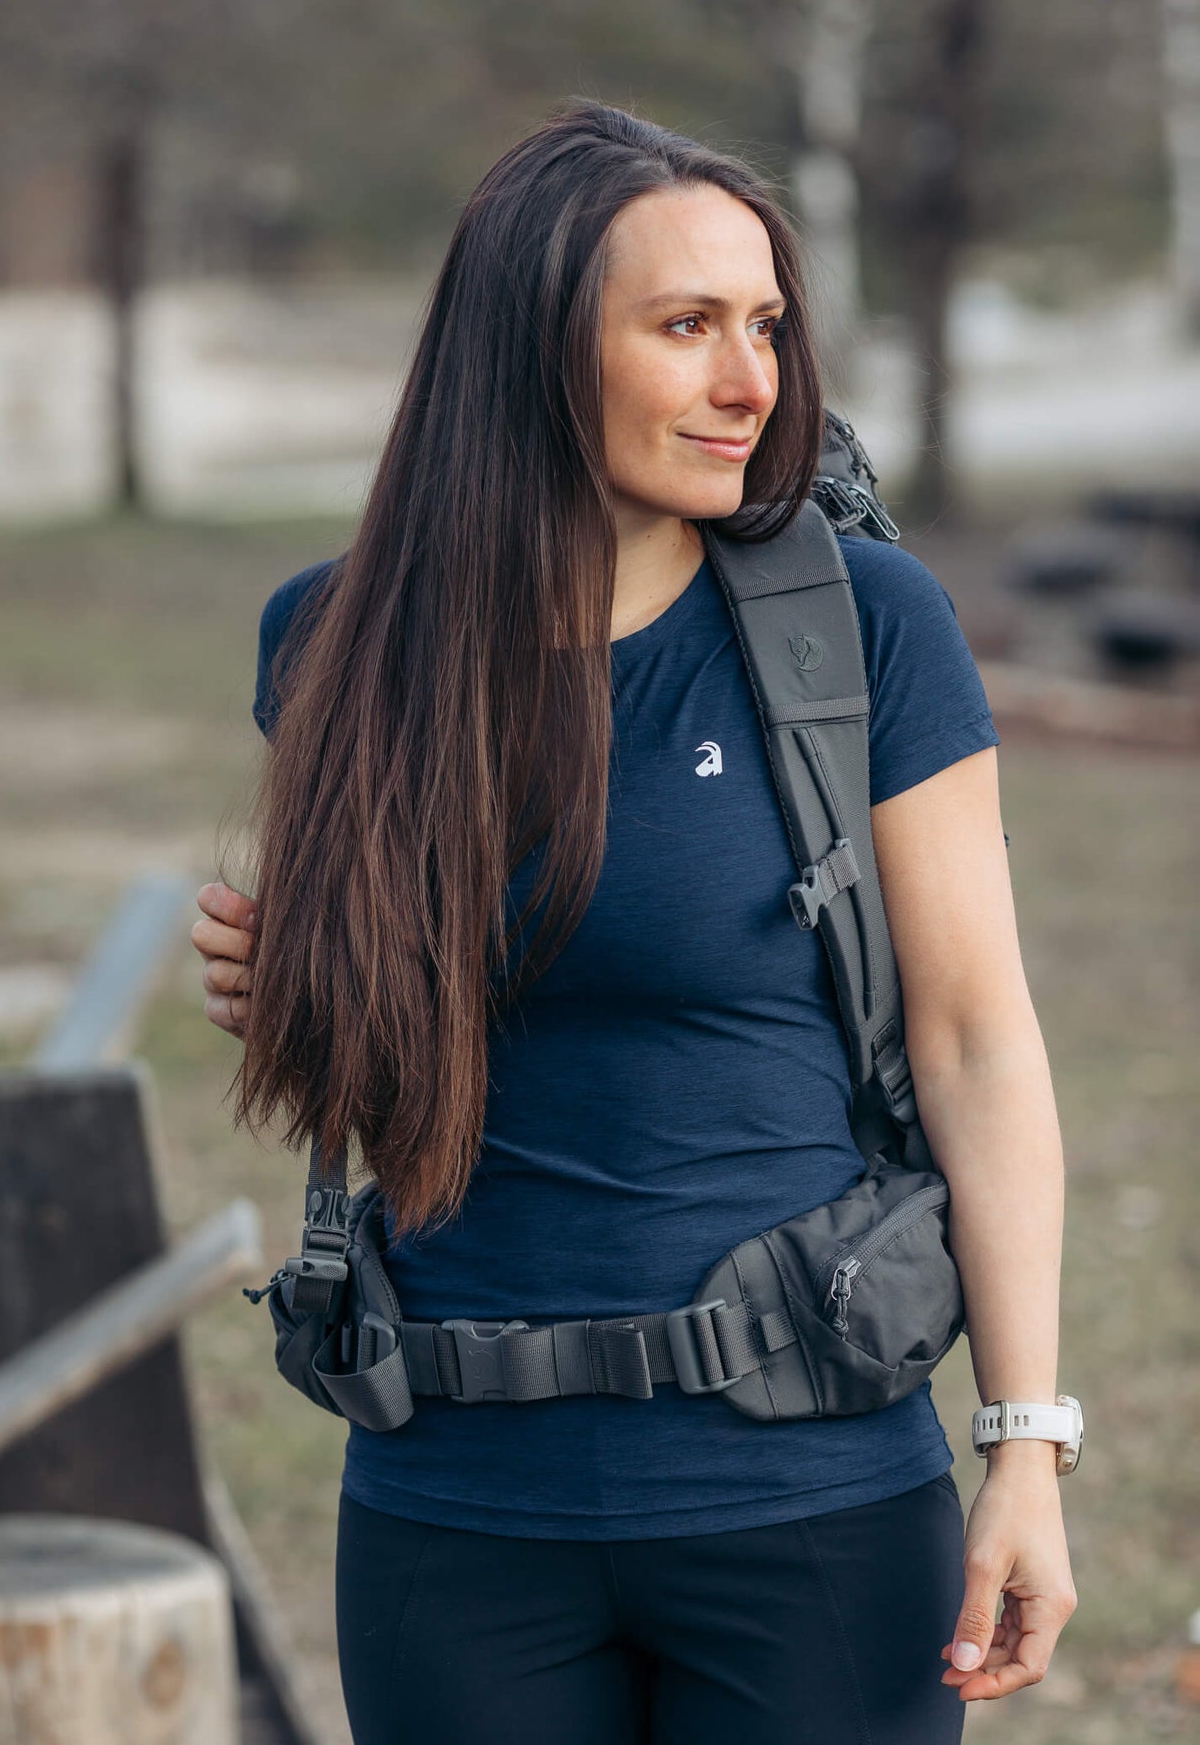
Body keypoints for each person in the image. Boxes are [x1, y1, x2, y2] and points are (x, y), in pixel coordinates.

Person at [191, 99, 1076, 1744]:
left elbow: (973, 1040)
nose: (753, 383)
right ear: (529, 349)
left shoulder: (862, 627)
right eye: (686, 327)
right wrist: (305, 986)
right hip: (454, 1507)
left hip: (807, 1499)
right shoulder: (328, 642)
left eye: (764, 326)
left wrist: (1024, 1440)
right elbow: (411, 1069)